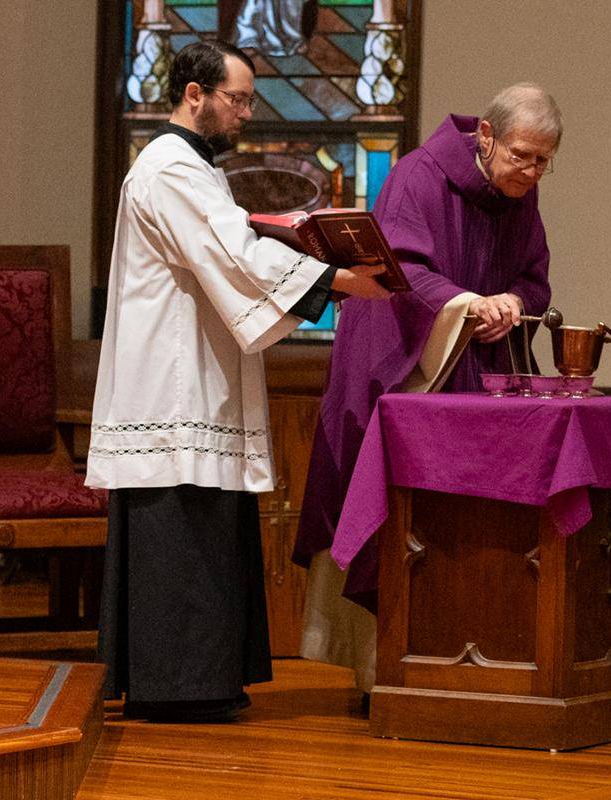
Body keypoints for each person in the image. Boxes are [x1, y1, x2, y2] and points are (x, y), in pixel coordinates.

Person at [86, 39, 389, 723]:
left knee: (206, 531)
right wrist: (338, 279)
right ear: (195, 96)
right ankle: (178, 686)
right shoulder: (169, 170)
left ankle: (203, 679)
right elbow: (234, 252)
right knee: (182, 534)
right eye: (239, 98)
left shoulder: (190, 168)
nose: (247, 112)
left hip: (192, 373)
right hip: (173, 385)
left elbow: (230, 248)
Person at [293, 83, 562, 698]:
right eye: (522, 154)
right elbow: (399, 272)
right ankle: (380, 672)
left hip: (479, 372)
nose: (532, 170)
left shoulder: (522, 193)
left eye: (544, 160)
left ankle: (473, 665)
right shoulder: (419, 176)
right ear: (486, 137)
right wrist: (470, 303)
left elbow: (533, 277)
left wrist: (514, 302)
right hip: (404, 364)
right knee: (394, 516)